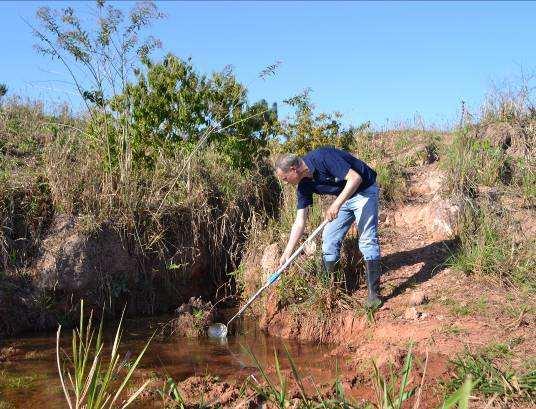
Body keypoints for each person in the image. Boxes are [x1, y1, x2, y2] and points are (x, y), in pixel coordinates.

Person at [275, 146, 382, 308]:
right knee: (329, 240)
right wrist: (287, 253)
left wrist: (336, 205)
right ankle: (326, 291)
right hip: (344, 197)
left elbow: (355, 178)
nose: (285, 183)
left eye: (284, 178)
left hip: (364, 190)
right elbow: (299, 221)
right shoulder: (303, 185)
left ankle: (374, 295)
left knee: (367, 240)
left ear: (293, 169)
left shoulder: (323, 157)